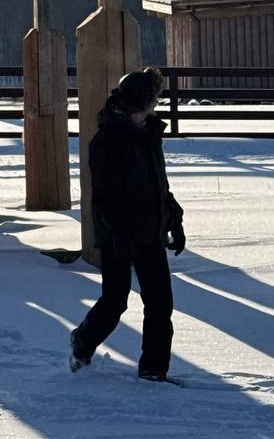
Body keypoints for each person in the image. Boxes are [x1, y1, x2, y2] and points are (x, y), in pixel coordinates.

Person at [70, 65, 186, 383]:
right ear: (140, 102)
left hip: (150, 230)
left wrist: (173, 218)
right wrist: (119, 236)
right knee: (115, 301)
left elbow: (158, 184)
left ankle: (153, 369)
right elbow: (105, 198)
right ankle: (82, 341)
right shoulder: (108, 139)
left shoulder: (148, 133)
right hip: (118, 234)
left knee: (160, 302)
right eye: (152, 101)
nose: (155, 107)